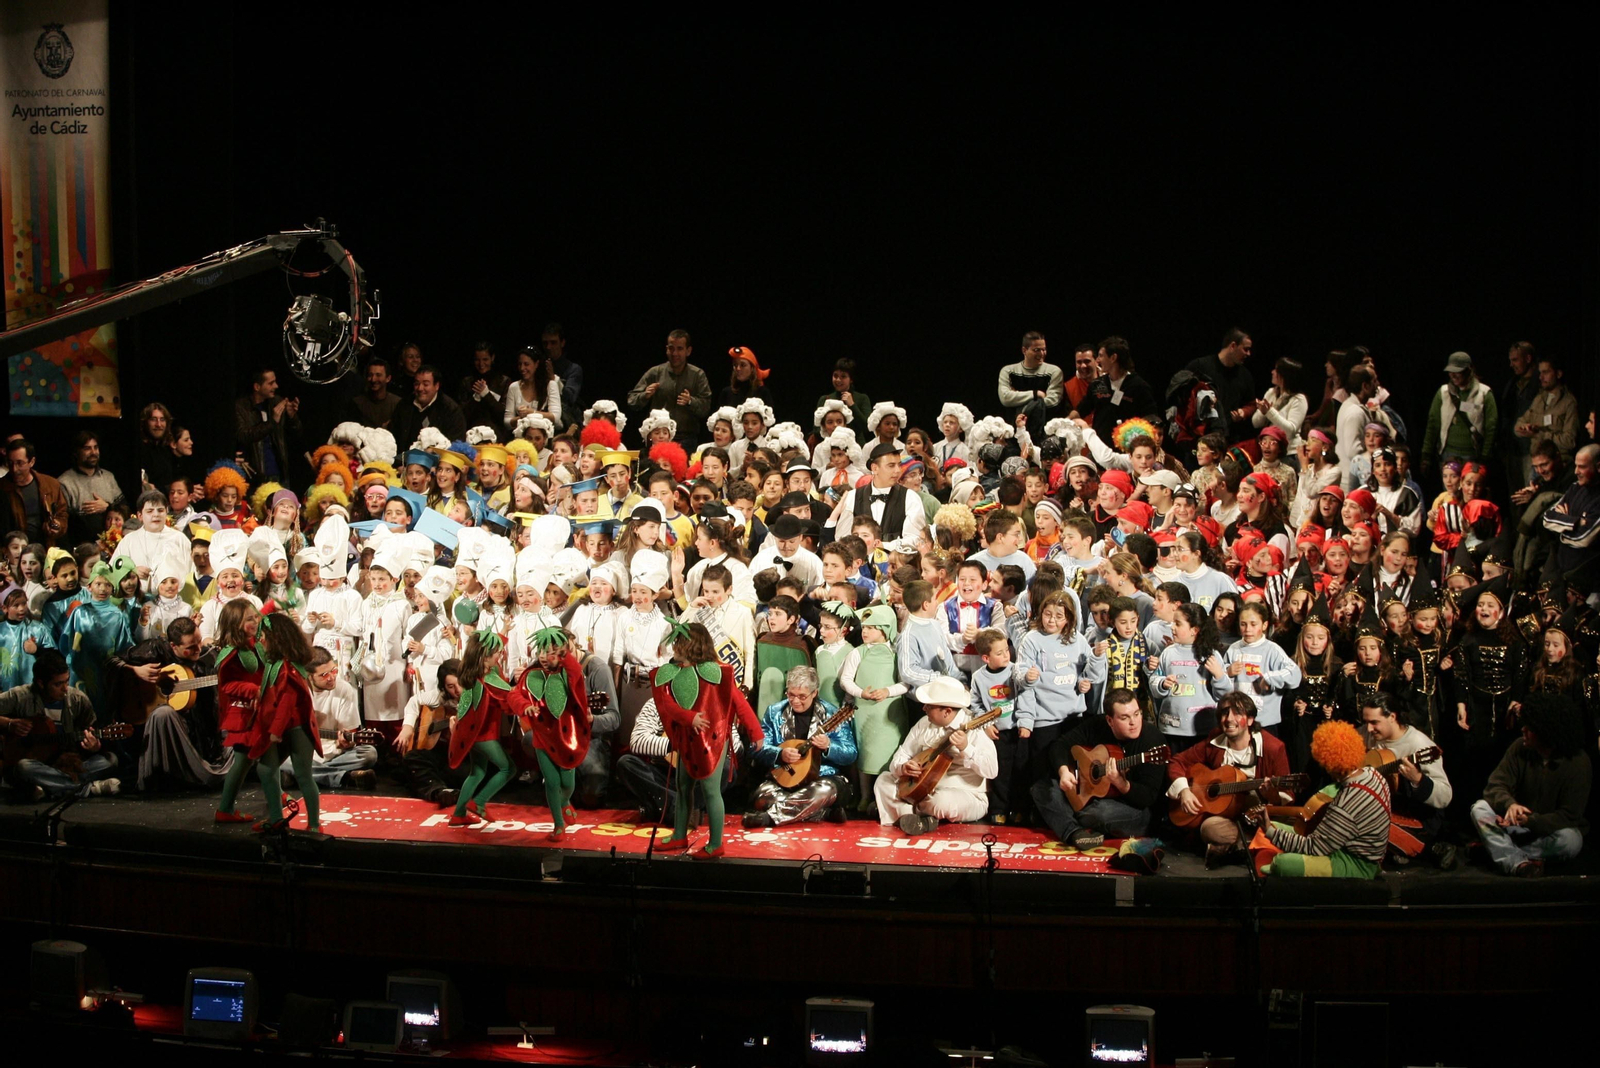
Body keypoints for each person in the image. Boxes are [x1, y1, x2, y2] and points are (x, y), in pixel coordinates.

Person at [652, 621, 764, 858]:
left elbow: (739, 703)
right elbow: (666, 703)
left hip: (713, 739)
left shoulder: (716, 671)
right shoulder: (674, 671)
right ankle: (679, 835)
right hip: (686, 736)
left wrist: (756, 732)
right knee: (683, 787)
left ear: (689, 644)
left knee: (711, 790)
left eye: (678, 643)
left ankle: (716, 843)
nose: (674, 648)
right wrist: (688, 717)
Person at [1167, 691, 1293, 866]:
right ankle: (1251, 846)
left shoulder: (1273, 748)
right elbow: (1177, 761)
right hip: (1228, 818)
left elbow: (1288, 797)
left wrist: (1272, 795)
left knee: (1276, 824)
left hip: (1258, 816)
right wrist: (1184, 790)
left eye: (1237, 713)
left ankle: (1238, 847)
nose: (1229, 719)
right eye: (1225, 713)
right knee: (1209, 828)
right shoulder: (1215, 742)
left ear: (1250, 720)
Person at [1250, 720, 1390, 878]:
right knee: (1275, 827)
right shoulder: (1373, 774)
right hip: (1350, 849)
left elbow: (1315, 848)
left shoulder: (1346, 803)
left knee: (1283, 863)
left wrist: (1270, 832)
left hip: (1355, 864)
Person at [1031, 687, 1167, 848]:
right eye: (1124, 717)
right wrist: (1064, 772)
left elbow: (1148, 797)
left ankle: (1066, 820)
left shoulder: (1152, 741)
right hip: (1093, 796)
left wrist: (1120, 783)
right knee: (1041, 788)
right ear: (1109, 720)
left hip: (1131, 809)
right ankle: (1075, 832)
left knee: (1099, 812)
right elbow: (1060, 745)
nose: (1133, 722)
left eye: (1137, 714)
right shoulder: (1098, 724)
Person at [1470, 693, 1589, 877]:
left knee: (1571, 841)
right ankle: (1517, 862)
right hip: (1514, 827)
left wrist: (1532, 820)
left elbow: (1569, 816)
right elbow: (1495, 786)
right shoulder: (1519, 748)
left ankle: (1500, 852)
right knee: (1479, 808)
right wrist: (1510, 805)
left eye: (1530, 727)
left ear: (1546, 731)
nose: (1523, 729)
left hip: (1548, 832)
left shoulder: (1577, 762)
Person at [117, 617, 234, 792]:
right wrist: (135, 670)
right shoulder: (155, 649)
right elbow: (112, 663)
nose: (198, 649)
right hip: (160, 729)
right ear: (173, 646)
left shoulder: (208, 656)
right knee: (163, 713)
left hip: (199, 734)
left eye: (199, 641)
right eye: (190, 647)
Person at [874, 674, 998, 834]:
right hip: (922, 789)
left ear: (946, 711)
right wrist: (904, 767)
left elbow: (992, 771)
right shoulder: (924, 724)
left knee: (941, 802)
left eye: (929, 706)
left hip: (965, 795)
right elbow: (901, 755)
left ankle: (901, 812)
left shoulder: (975, 729)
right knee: (883, 780)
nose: (923, 709)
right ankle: (918, 820)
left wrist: (966, 748)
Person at [745, 665, 858, 827]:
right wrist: (779, 754)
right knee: (763, 796)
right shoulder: (775, 712)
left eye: (802, 696)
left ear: (815, 693)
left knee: (823, 791)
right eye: (791, 695)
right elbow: (756, 747)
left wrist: (829, 746)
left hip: (822, 779)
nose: (795, 701)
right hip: (784, 780)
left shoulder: (832, 715)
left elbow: (851, 753)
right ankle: (821, 812)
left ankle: (770, 818)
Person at [0, 648, 121, 800]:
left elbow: (92, 732)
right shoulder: (21, 696)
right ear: (41, 683)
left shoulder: (78, 699)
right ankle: (88, 789)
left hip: (67, 762)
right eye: (58, 684)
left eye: (67, 681)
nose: (65, 689)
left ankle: (49, 787)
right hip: (36, 763)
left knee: (110, 760)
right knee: (23, 767)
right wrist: (9, 724)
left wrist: (94, 746)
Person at [514, 626, 597, 841]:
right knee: (551, 782)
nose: (543, 656)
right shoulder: (531, 675)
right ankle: (558, 824)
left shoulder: (568, 674)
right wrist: (525, 707)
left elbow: (576, 671)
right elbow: (515, 696)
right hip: (543, 736)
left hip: (568, 738)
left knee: (567, 784)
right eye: (541, 651)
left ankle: (565, 801)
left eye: (550, 652)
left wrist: (563, 653)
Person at [1360, 691, 1456, 869]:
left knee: (1366, 820)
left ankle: (1427, 848)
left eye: (1374, 722)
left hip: (1419, 817)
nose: (1369, 729)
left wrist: (1418, 780)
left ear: (1392, 717)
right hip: (1390, 808)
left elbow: (1445, 796)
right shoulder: (1369, 735)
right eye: (1366, 722)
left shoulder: (1421, 745)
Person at [249, 614, 323, 833]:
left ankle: (314, 824)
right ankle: (275, 818)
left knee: (303, 775)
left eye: (263, 636)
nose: (260, 640)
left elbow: (286, 704)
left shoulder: (286, 669)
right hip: (276, 729)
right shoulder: (274, 666)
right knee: (266, 769)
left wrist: (274, 731)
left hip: (294, 729)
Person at [447, 631, 518, 827]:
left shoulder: (474, 674)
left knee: (477, 772)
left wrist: (502, 630)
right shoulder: (488, 679)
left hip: (469, 734)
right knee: (508, 768)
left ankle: (459, 814)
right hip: (482, 735)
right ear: (485, 655)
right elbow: (509, 696)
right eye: (496, 652)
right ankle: (478, 802)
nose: (500, 655)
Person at [289, 648, 378, 792]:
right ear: (309, 676)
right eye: (324, 675)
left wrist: (348, 742)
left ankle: (300, 775)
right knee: (279, 759)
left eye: (334, 670)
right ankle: (343, 778)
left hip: (333, 751)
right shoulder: (296, 689)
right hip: (303, 751)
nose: (331, 677)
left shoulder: (345, 690)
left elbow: (349, 733)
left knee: (369, 754)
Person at [829, 443, 930, 547]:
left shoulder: (910, 497)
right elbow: (842, 538)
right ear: (875, 468)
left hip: (898, 561)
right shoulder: (852, 496)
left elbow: (916, 539)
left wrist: (884, 546)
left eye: (898, 465)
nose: (898, 470)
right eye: (891, 465)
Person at [626, 330, 712, 447]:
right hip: (658, 440)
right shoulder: (655, 373)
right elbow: (632, 400)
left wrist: (690, 401)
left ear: (688, 351)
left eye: (680, 348)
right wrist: (645, 395)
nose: (675, 353)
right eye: (671, 348)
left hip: (686, 440)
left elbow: (706, 407)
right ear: (667, 349)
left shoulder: (697, 375)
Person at [1421, 351, 1499, 474]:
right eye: (1450, 371)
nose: (1453, 375)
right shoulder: (1443, 393)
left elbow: (1491, 428)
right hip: (1447, 454)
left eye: (1457, 371)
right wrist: (1426, 455)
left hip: (1473, 456)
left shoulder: (1484, 393)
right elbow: (1432, 424)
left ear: (1469, 370)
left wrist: (1485, 456)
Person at [1541, 444, 1600, 592]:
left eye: (1582, 467)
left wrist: (1561, 526)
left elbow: (1584, 539)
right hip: (1563, 572)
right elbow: (1547, 518)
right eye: (1575, 466)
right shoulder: (1575, 488)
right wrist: (1576, 521)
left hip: (1590, 583)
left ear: (1598, 466)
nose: (1576, 472)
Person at [1078, 336, 1160, 441]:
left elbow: (1150, 418)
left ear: (1113, 358)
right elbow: (1081, 410)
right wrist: (1064, 421)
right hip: (1100, 449)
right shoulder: (1097, 384)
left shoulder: (1138, 386)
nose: (1097, 360)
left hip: (1128, 450)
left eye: (1101, 356)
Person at [1512, 354, 1580, 479]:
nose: (1541, 377)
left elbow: (1569, 441)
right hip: (1535, 464)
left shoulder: (1568, 402)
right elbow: (1518, 426)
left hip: (1557, 466)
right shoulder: (1539, 399)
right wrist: (1526, 428)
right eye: (1540, 373)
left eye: (1546, 372)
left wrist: (1541, 434)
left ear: (1558, 374)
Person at [1185, 328, 1257, 442]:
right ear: (1233, 345)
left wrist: (1243, 412)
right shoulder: (1199, 366)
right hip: (1198, 438)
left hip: (1228, 440)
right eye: (1245, 349)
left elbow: (1252, 404)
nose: (1248, 354)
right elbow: (1180, 396)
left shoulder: (1245, 375)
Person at [57, 432, 126, 543]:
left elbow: (125, 511)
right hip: (83, 547)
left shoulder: (108, 477)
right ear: (76, 452)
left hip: (115, 545)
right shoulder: (65, 482)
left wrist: (107, 506)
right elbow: (65, 523)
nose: (93, 452)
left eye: (95, 447)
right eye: (87, 448)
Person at [234, 368, 302, 482]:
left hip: (279, 475)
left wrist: (292, 417)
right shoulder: (241, 407)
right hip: (254, 476)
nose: (276, 386)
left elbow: (297, 435)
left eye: (275, 381)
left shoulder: (277, 402)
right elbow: (243, 435)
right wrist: (272, 422)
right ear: (257, 387)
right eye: (271, 383)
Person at [2, 439, 69, 547]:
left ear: (32, 462)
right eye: (10, 463)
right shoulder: (3, 489)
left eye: (20, 463)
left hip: (45, 548)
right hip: (15, 552)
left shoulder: (50, 485)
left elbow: (62, 514)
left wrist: (57, 525)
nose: (14, 469)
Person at [998, 331, 1064, 428]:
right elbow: (1005, 398)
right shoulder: (1008, 371)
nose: (1042, 353)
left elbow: (1052, 402)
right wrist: (1036, 394)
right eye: (1037, 350)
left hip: (1044, 430)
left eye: (1044, 349)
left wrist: (1017, 399)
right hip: (1013, 429)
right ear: (1024, 350)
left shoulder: (1054, 372)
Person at [1498, 341, 1540, 490]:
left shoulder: (1540, 384)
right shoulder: (1512, 385)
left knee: (1529, 492)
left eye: (1515, 360)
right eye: (1510, 360)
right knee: (1515, 495)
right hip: (1512, 449)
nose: (1511, 364)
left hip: (1531, 449)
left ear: (1528, 359)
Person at [1251, 356, 1312, 456]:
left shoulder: (1299, 399)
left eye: (1276, 370)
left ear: (1284, 375)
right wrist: (1263, 412)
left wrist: (1269, 412)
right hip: (1269, 452)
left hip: (1289, 454)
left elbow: (1290, 431)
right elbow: (1255, 423)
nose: (1272, 372)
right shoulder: (1271, 393)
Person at [503, 345, 563, 435]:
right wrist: (522, 417)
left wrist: (531, 413)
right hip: (521, 438)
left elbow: (555, 417)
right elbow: (507, 422)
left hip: (546, 438)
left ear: (536, 364)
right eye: (520, 364)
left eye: (526, 364)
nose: (522, 368)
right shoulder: (514, 387)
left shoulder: (550, 385)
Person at [457, 341, 512, 433]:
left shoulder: (504, 381)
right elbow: (461, 416)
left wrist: (487, 395)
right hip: (472, 432)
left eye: (485, 359)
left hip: (497, 434)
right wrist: (475, 398)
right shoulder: (467, 382)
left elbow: (505, 415)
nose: (481, 364)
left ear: (492, 358)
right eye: (477, 360)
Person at [815, 358, 872, 443]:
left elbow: (868, 428)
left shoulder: (862, 398)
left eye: (843, 376)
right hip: (830, 447)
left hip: (856, 447)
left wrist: (852, 405)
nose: (838, 380)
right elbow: (816, 430)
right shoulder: (825, 399)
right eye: (835, 375)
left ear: (851, 379)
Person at [345, 356, 400, 429]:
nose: (373, 379)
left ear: (388, 378)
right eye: (370, 375)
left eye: (378, 375)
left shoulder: (397, 403)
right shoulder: (357, 403)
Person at [543, 323, 584, 419]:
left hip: (565, 419)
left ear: (562, 343)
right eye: (545, 343)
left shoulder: (573, 369)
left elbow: (570, 398)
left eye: (553, 343)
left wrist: (553, 378)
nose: (548, 347)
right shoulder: (538, 366)